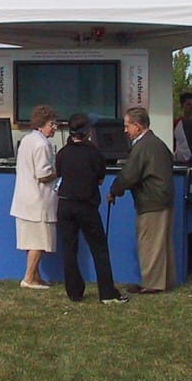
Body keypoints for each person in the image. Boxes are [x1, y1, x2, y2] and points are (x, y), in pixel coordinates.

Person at [56, 112, 128, 304]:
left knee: (69, 249)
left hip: (64, 204)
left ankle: (74, 292)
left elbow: (59, 173)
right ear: (87, 132)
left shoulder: (62, 153)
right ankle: (107, 292)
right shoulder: (94, 153)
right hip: (86, 205)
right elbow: (100, 178)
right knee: (99, 248)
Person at [109, 106, 175, 294]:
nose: (125, 130)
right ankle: (165, 281)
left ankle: (151, 284)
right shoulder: (157, 143)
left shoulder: (143, 146)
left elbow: (129, 175)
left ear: (137, 126)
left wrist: (114, 190)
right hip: (163, 199)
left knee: (149, 244)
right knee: (162, 244)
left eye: (127, 126)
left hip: (151, 202)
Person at [9, 104, 58, 289]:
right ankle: (29, 278)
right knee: (38, 241)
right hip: (38, 202)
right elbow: (43, 175)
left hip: (24, 200)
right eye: (51, 124)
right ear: (41, 124)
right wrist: (59, 171)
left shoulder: (27, 140)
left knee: (31, 241)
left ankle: (35, 276)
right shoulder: (42, 144)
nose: (54, 127)